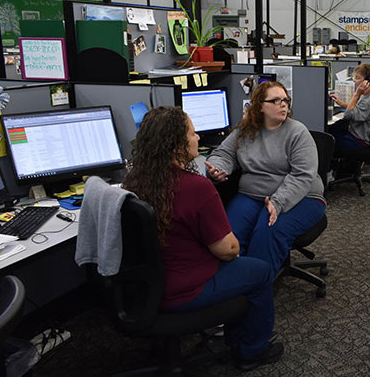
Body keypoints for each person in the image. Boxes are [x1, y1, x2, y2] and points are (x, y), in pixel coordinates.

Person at [122, 107, 282, 371]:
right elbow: (228, 250)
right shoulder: (196, 187)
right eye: (193, 133)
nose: (198, 138)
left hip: (144, 288)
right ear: (175, 146)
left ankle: (233, 336)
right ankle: (251, 350)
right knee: (261, 271)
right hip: (184, 289)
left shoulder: (135, 181)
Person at [205, 81, 326, 277]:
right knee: (229, 236)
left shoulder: (297, 132)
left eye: (286, 100)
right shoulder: (245, 132)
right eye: (276, 100)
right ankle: (233, 285)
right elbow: (223, 154)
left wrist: (278, 202)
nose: (283, 104)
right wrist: (218, 169)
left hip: (302, 197)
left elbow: (303, 175)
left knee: (267, 232)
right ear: (260, 105)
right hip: (253, 195)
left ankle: (257, 289)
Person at [329, 63, 370, 149]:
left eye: (357, 78)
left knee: (327, 138)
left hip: (360, 140)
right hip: (359, 133)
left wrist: (356, 94)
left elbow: (347, 116)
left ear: (368, 80)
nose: (354, 80)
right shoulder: (369, 93)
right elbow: (356, 108)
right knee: (334, 128)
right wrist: (342, 104)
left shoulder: (369, 100)